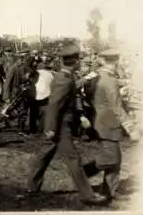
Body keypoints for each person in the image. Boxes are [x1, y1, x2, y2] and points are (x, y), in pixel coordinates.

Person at [27, 44, 107, 205]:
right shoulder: (64, 78)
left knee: (44, 154)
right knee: (73, 159)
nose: (79, 62)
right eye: (78, 59)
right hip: (60, 125)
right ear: (74, 61)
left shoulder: (65, 76)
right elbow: (54, 104)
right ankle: (87, 195)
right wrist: (50, 127)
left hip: (59, 123)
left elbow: (69, 93)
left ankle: (32, 186)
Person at [82, 49, 140, 201]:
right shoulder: (110, 80)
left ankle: (109, 191)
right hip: (108, 124)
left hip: (100, 122)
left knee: (115, 158)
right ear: (116, 61)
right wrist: (131, 128)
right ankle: (81, 173)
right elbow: (117, 107)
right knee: (111, 159)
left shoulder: (98, 76)